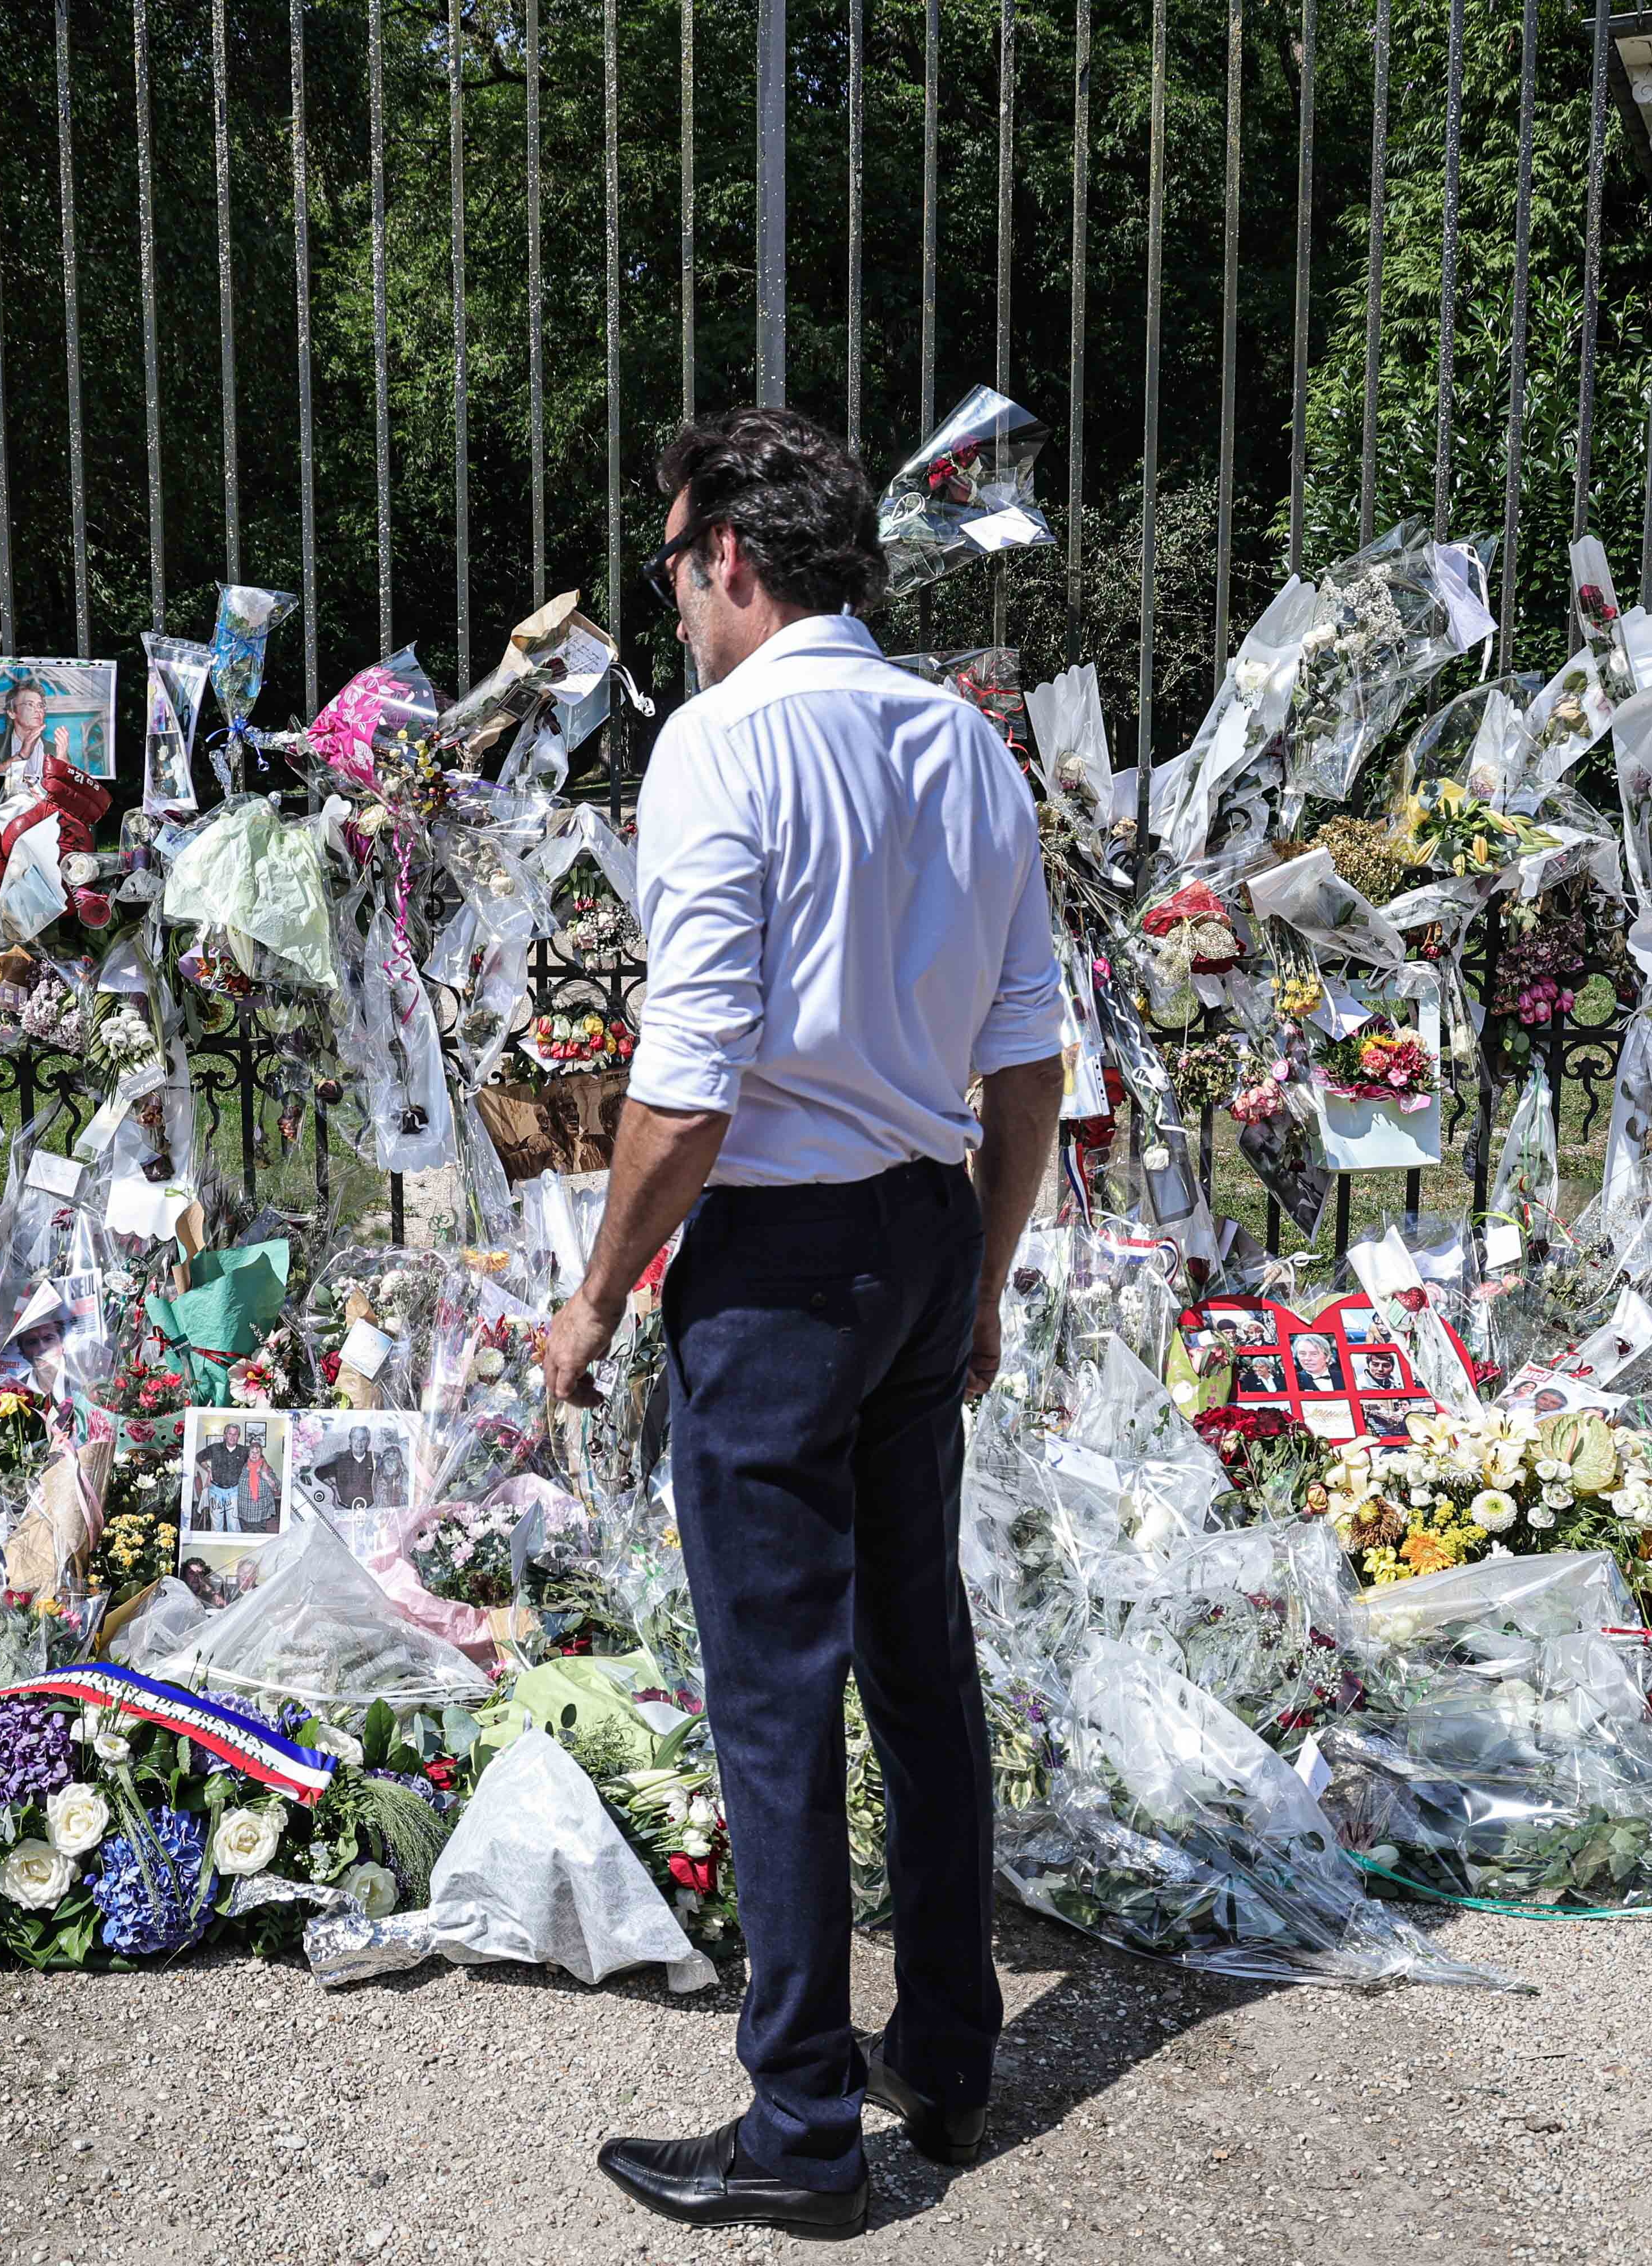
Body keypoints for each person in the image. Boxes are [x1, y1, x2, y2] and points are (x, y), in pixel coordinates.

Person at [540, 404, 1062, 2238]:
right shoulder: (969, 747)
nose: (672, 601)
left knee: (776, 1691)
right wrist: (983, 1279)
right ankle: (950, 2044)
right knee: (920, 1653)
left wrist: (597, 1297)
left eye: (675, 566)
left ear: (732, 563)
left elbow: (684, 1088)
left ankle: (804, 2124)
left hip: (777, 1256)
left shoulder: (722, 745)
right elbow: (1027, 1063)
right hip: (926, 1227)